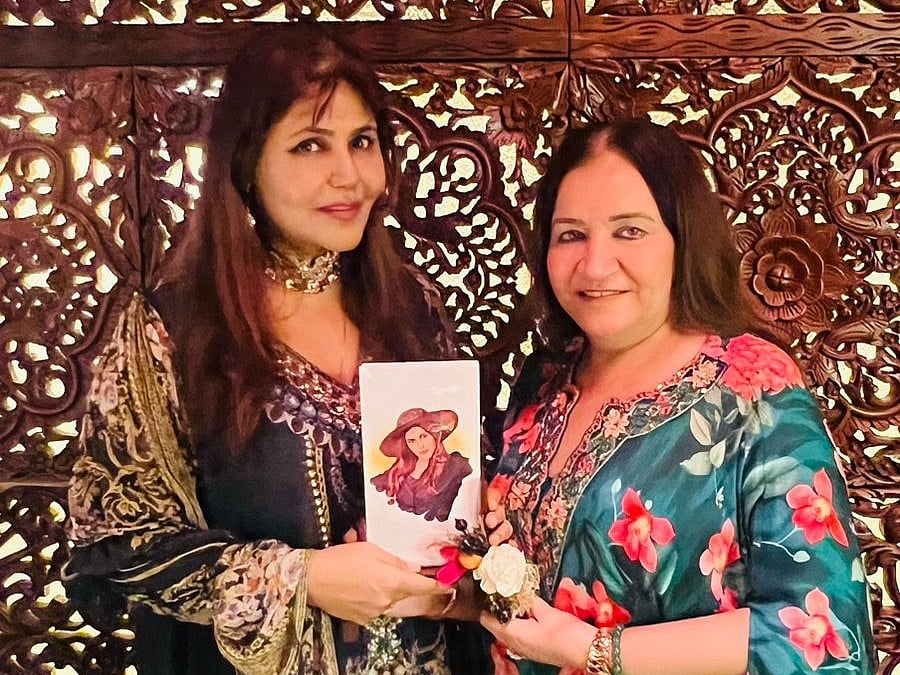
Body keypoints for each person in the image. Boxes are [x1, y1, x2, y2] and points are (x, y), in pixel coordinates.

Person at [62, 29, 465, 675]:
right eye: (310, 145)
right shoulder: (173, 329)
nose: (349, 175)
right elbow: (114, 541)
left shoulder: (410, 306)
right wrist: (302, 578)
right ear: (246, 165)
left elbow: (458, 481)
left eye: (362, 141)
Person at [479, 119, 875, 674]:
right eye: (570, 234)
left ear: (682, 240)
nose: (595, 264)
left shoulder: (752, 387)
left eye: (629, 231)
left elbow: (826, 630)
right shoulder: (543, 380)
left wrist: (592, 650)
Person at [372, 407, 473, 522]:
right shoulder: (396, 473)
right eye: (412, 441)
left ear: (434, 436)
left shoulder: (456, 467)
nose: (420, 446)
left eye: (424, 436)